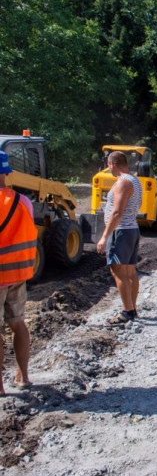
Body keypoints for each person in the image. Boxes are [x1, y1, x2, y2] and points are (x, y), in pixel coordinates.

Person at [0, 150, 35, 395]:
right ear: (8, 173)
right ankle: (23, 376)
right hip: (18, 273)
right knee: (18, 323)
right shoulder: (23, 202)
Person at [96, 151, 143, 325]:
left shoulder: (123, 182)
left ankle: (127, 311)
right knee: (130, 271)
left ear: (112, 164)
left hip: (121, 231)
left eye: (108, 165)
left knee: (118, 271)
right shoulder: (134, 180)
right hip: (131, 229)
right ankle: (132, 308)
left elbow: (117, 212)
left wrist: (104, 236)